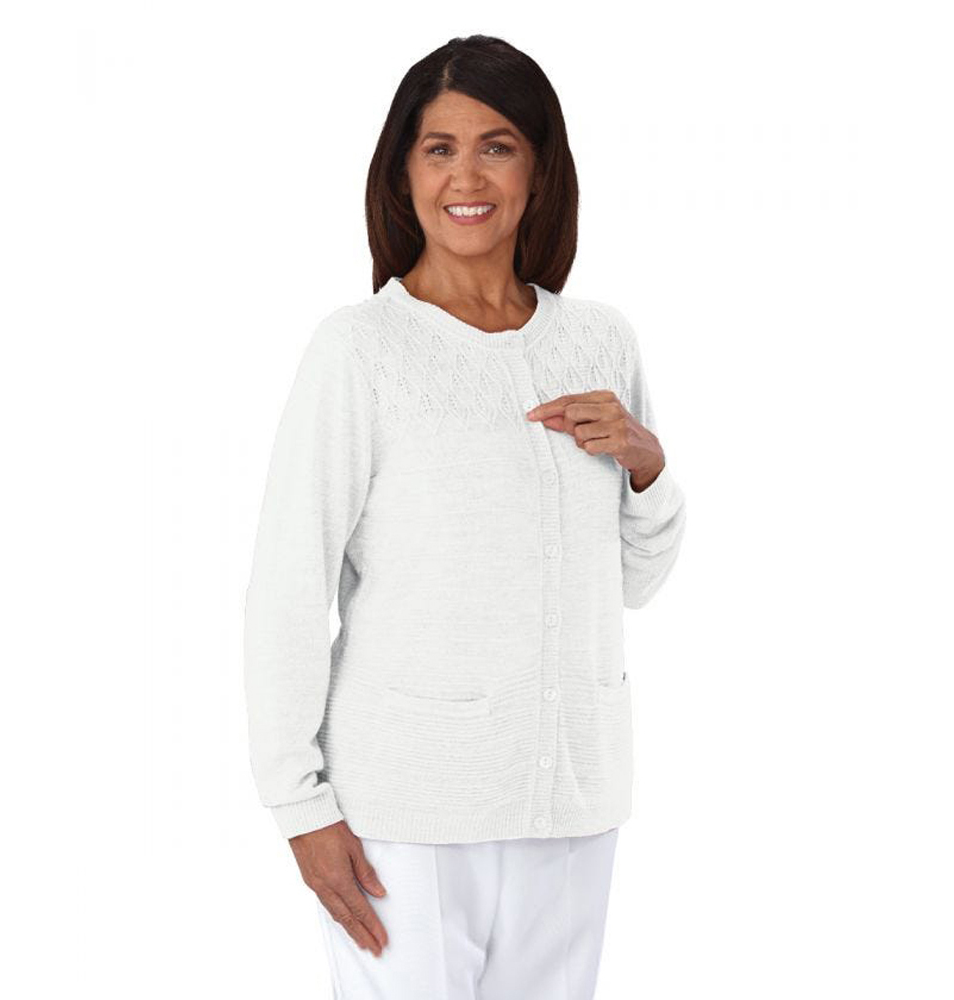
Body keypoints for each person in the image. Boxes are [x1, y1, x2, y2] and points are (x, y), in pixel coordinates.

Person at [243, 33, 687, 1000]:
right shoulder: (360, 351)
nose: (467, 177)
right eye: (438, 148)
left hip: (574, 805)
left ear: (539, 169)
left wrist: (647, 466)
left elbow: (633, 585)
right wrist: (299, 806)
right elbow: (288, 587)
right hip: (405, 811)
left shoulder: (600, 341)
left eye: (497, 146)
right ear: (403, 174)